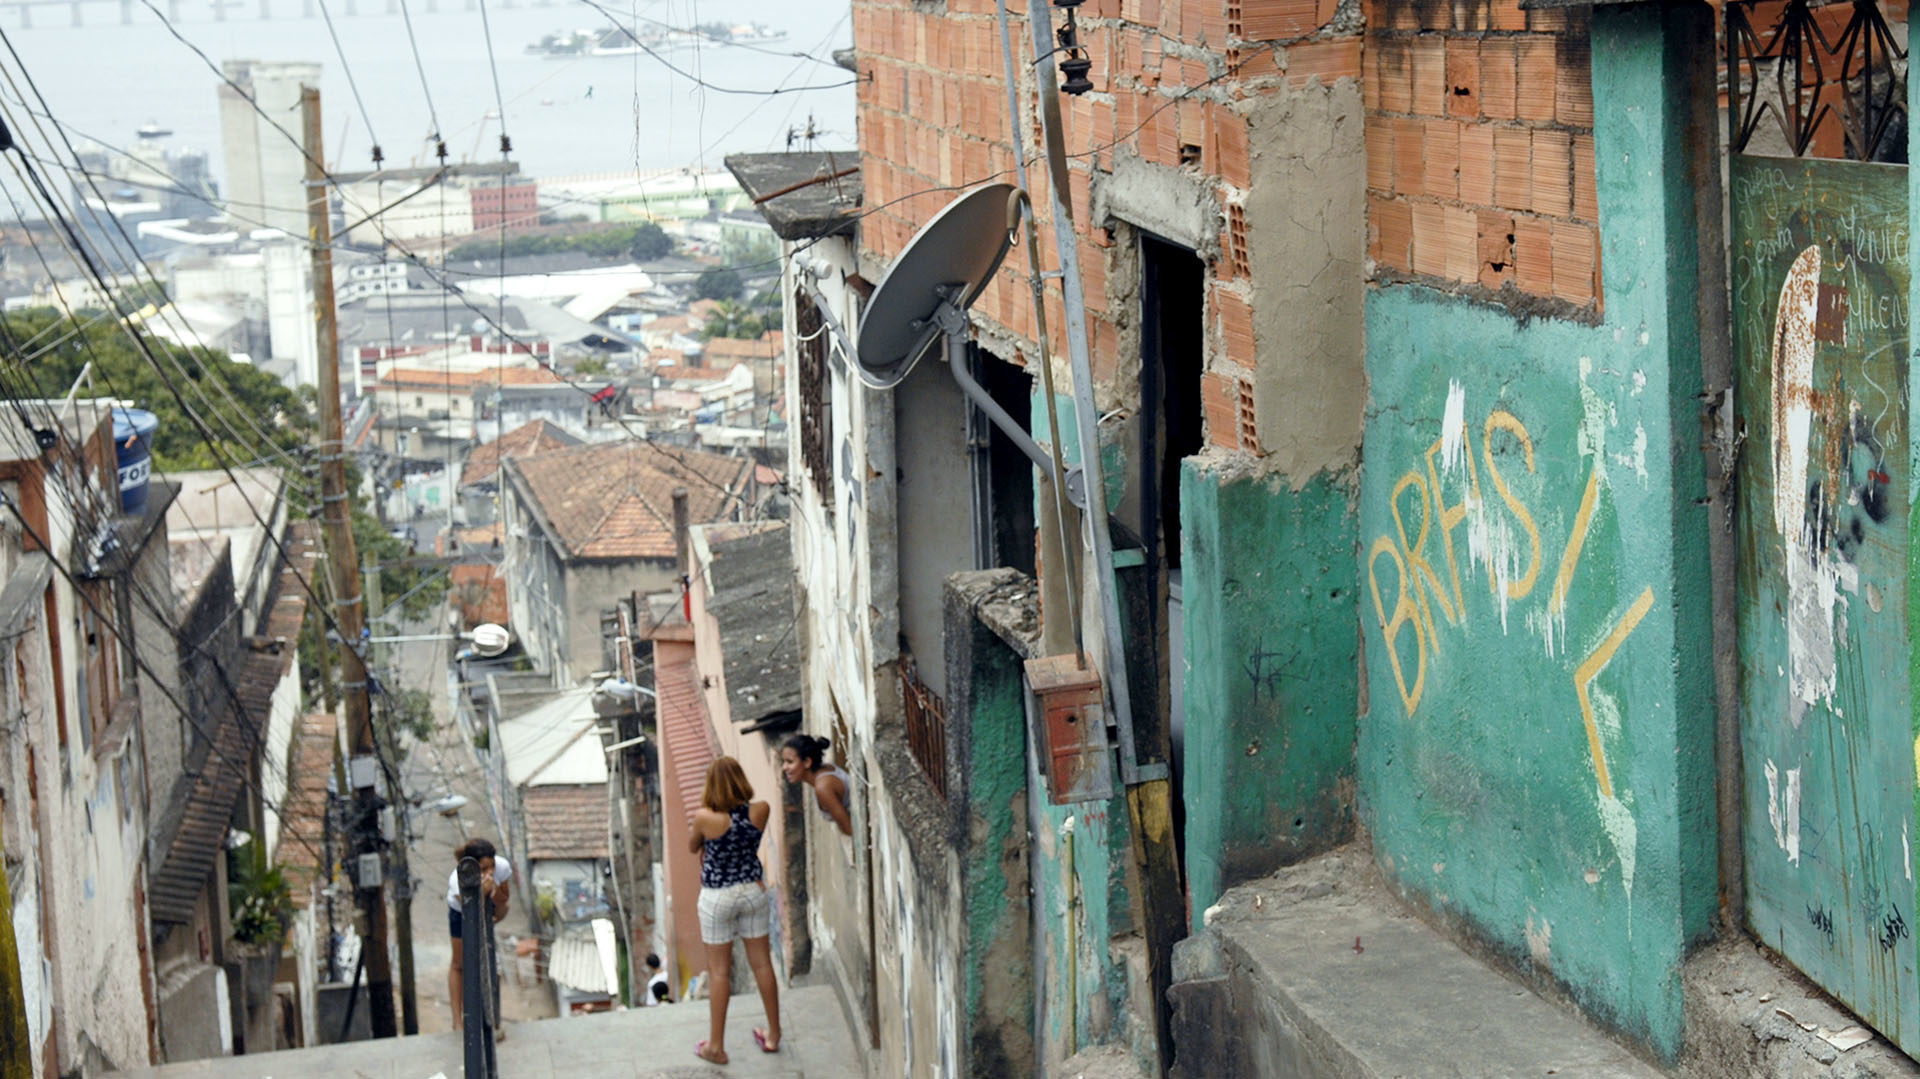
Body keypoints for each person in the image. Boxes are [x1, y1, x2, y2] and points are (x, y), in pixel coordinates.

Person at [689, 757, 781, 1063]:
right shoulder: (761, 809)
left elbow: (693, 846)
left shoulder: (704, 817)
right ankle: (774, 1034)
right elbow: (746, 838)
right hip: (753, 891)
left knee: (719, 972)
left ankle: (715, 1046)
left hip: (718, 897)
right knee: (763, 965)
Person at [447, 837, 512, 1031]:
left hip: (489, 908)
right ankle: (457, 1021)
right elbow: (470, 909)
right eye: (483, 869)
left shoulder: (502, 867)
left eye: (491, 866)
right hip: (462, 912)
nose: (490, 872)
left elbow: (504, 897)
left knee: (488, 961)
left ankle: (493, 1017)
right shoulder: (457, 881)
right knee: (459, 964)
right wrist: (481, 892)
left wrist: (493, 889)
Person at [780, 733, 852, 837]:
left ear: (807, 762)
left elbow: (849, 829)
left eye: (790, 762)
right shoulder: (826, 768)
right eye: (784, 762)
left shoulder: (823, 787)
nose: (784, 767)